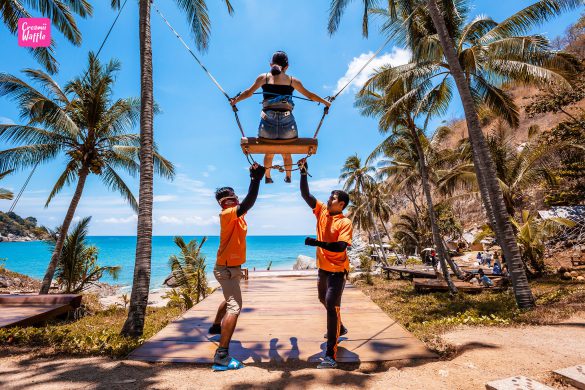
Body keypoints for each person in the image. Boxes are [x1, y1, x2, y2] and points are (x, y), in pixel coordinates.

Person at [230, 51, 331, 184]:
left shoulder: (263, 77)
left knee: (269, 150)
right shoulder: (292, 81)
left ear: (271, 64)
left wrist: (235, 101)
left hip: (267, 127)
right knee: (287, 150)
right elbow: (310, 95)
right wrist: (326, 102)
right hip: (288, 126)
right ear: (287, 67)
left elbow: (248, 93)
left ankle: (267, 176)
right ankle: (288, 176)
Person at [209, 163, 265, 371]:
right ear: (224, 203)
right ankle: (221, 355)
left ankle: (215, 325)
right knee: (235, 306)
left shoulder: (236, 217)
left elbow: (247, 204)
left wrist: (254, 177)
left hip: (231, 268)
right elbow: (249, 202)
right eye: (232, 198)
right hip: (226, 269)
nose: (236, 199)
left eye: (234, 196)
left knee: (229, 297)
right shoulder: (227, 214)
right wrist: (255, 179)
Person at [298, 158, 352, 369]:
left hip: (338, 271)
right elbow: (306, 195)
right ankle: (340, 327)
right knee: (322, 298)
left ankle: (330, 356)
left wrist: (316, 242)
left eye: (334, 198)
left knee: (331, 306)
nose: (329, 199)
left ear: (342, 204)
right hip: (323, 269)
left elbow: (340, 247)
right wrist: (303, 172)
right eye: (330, 196)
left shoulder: (344, 222)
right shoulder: (321, 211)